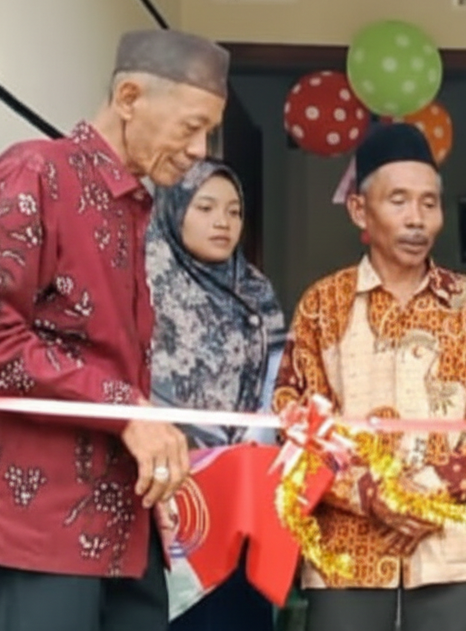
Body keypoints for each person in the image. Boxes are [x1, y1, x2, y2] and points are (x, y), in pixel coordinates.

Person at [0, 28, 227, 631]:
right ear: (130, 97)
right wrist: (126, 409)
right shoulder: (37, 171)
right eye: (191, 127)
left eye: (209, 132)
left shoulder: (135, 207)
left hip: (127, 528)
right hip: (42, 526)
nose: (200, 150)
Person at [273, 122, 466, 631]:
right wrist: (371, 493)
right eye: (399, 201)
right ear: (359, 210)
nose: (417, 219)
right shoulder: (323, 305)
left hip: (451, 545)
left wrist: (428, 490)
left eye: (430, 203)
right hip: (347, 555)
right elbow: (294, 421)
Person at [146, 159, 286, 631]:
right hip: (163, 490)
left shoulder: (256, 290)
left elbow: (275, 384)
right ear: (175, 209)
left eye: (233, 211)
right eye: (205, 208)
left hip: (241, 492)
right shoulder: (142, 282)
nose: (222, 222)